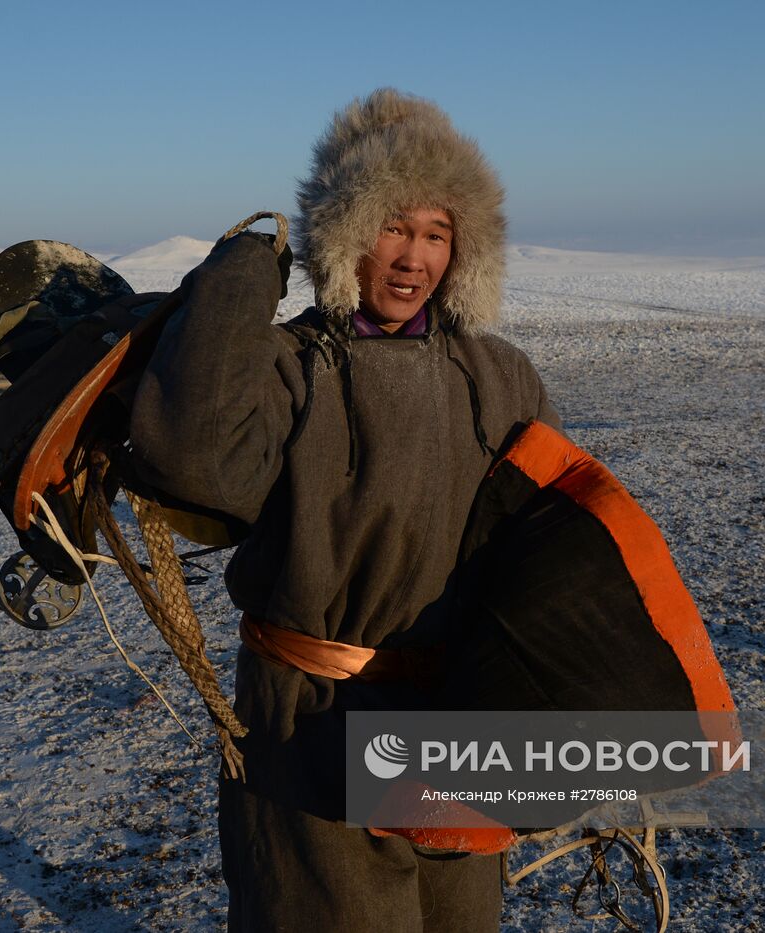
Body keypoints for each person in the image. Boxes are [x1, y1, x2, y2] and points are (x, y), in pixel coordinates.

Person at [129, 88, 560, 932]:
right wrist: (235, 286)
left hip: (454, 716)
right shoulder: (290, 369)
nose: (413, 257)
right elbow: (197, 463)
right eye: (393, 226)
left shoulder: (500, 378)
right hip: (309, 721)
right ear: (344, 237)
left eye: (436, 234)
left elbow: (552, 543)